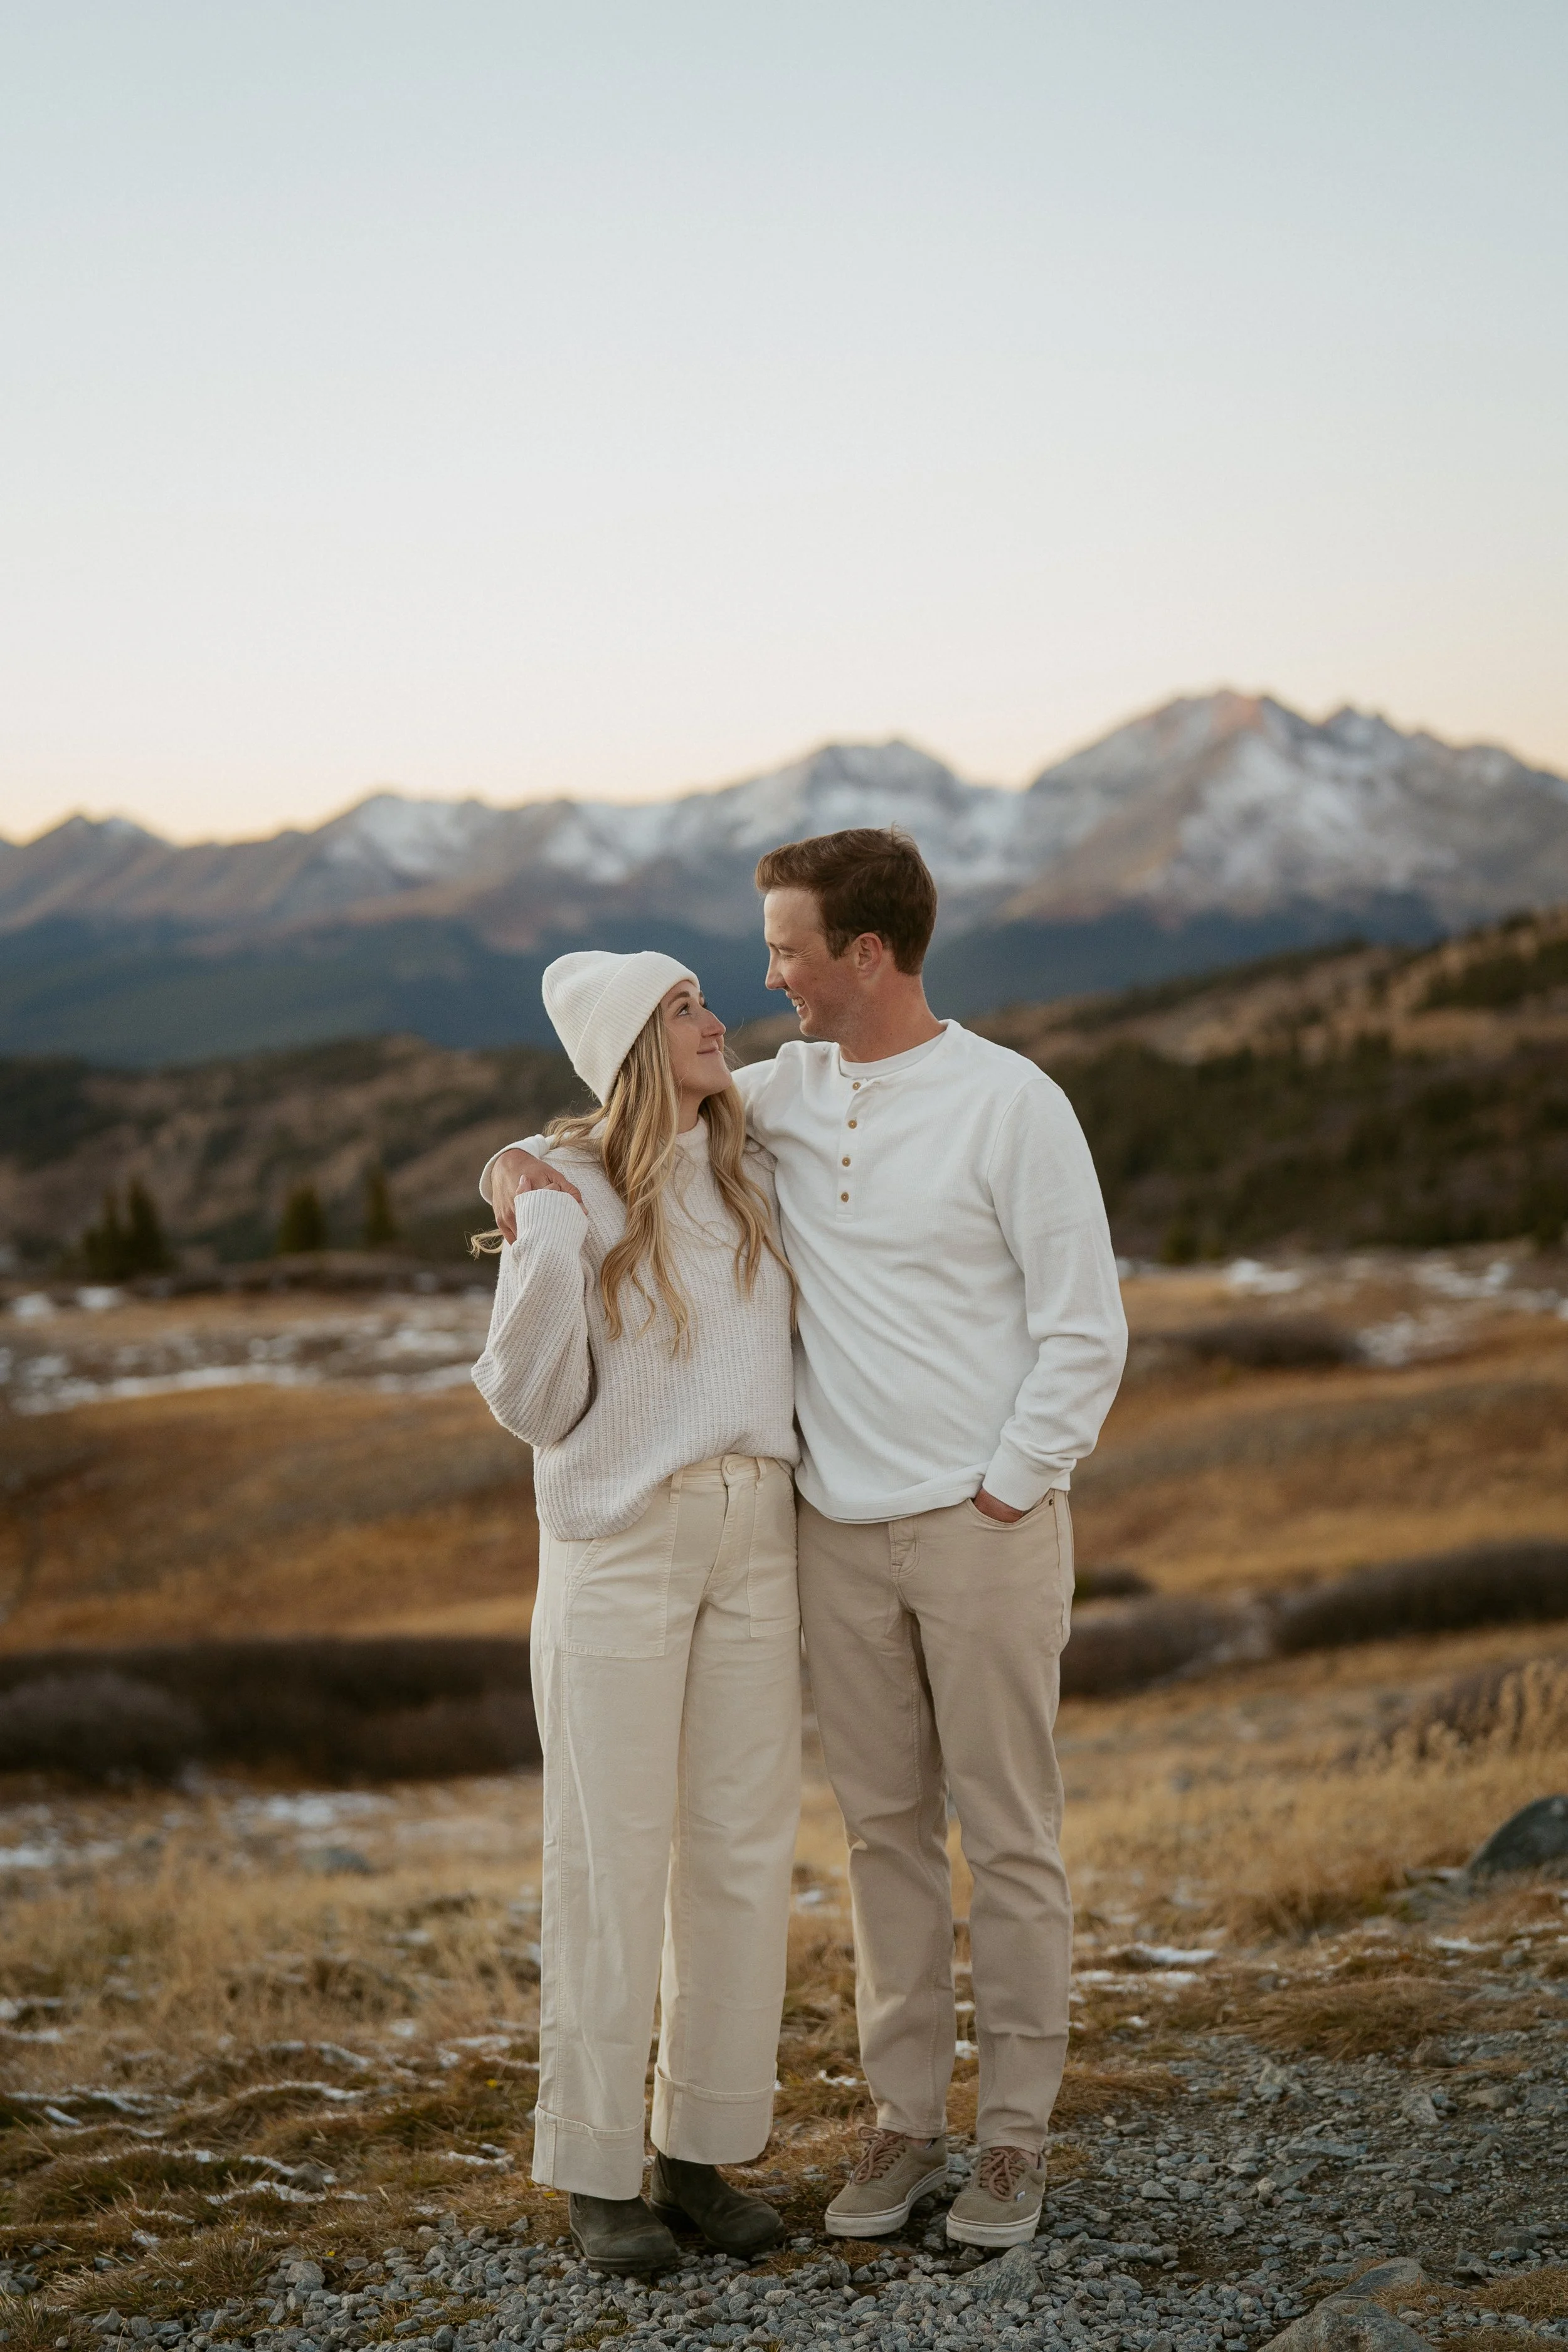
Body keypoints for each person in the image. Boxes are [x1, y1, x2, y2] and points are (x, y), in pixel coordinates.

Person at [484, 830, 1128, 2253]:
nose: (762, 979)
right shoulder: (780, 1094)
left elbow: (1086, 1329)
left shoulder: (1006, 1104)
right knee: (880, 1836)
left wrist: (1009, 1489)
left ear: (865, 954)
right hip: (824, 1535)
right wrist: (510, 1174)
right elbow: (598, 1126)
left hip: (974, 1526)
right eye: (751, 960)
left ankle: (1012, 2136)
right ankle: (904, 2122)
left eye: (784, 950)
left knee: (1003, 1837)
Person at [470, 948, 801, 2276]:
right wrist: (537, 1221)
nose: (717, 1020)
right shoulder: (571, 1191)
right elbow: (528, 1401)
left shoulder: (752, 1160)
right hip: (621, 1542)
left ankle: (697, 2153)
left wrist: (502, 1162)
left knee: (738, 1849)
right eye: (683, 1010)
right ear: (628, 1045)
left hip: (757, 1534)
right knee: (610, 1859)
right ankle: (595, 2168)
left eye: (705, 1000)